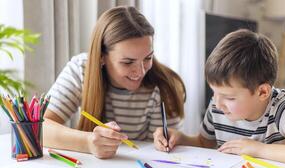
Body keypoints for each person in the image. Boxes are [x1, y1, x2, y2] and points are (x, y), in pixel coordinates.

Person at [44, 6, 185, 159]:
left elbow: (165, 154)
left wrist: (164, 142)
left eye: (147, 58)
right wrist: (88, 142)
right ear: (101, 57)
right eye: (128, 62)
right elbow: (39, 127)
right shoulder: (81, 69)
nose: (141, 72)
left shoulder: (164, 86)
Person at [154, 29, 285, 166]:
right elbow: (204, 143)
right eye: (214, 92)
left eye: (229, 98)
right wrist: (180, 138)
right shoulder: (218, 106)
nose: (217, 104)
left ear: (262, 92)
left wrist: (259, 150)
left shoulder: (282, 108)